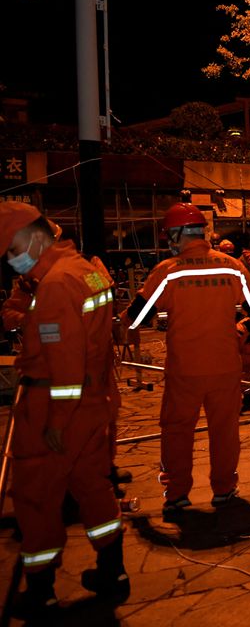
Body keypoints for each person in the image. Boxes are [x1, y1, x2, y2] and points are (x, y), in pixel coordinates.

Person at [1, 202, 128, 617]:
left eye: (11, 250)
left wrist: (56, 419)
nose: (10, 261)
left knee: (36, 497)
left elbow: (64, 361)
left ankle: (41, 592)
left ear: (37, 237)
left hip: (54, 405)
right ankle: (113, 571)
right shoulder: (87, 271)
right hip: (92, 403)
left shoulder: (55, 284)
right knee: (93, 486)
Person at [125, 202, 250, 517]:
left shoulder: (167, 271)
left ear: (175, 235)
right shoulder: (231, 266)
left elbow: (137, 317)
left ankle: (177, 495)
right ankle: (224, 490)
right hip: (225, 366)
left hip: (184, 370)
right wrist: (240, 328)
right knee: (224, 430)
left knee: (177, 431)